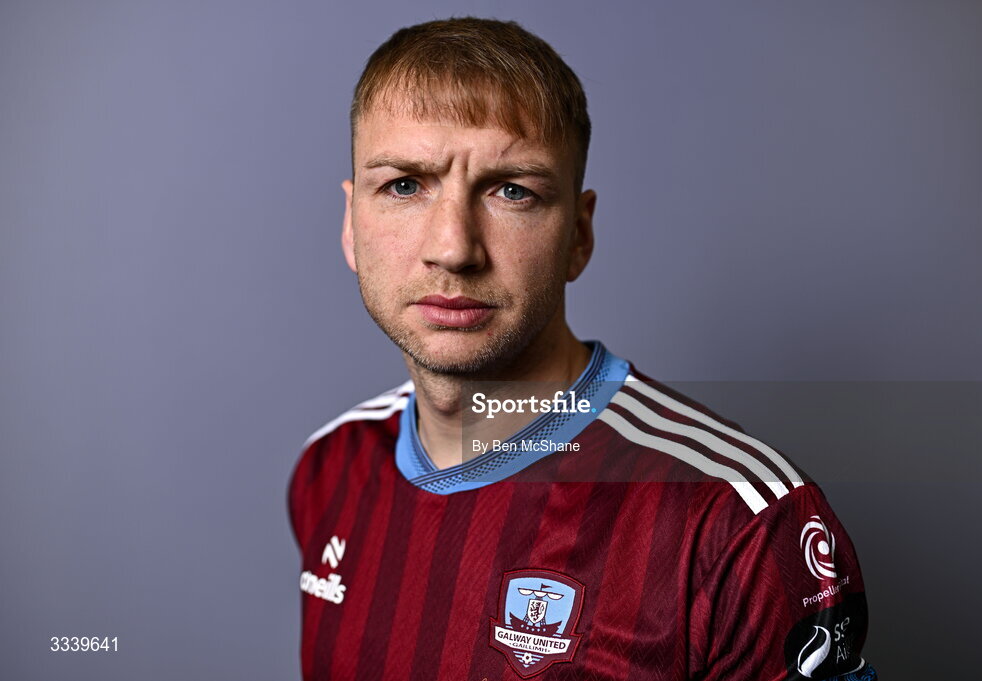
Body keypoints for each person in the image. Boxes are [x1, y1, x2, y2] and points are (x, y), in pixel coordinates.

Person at [288, 17, 875, 681]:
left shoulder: (741, 519)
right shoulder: (329, 469)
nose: (452, 247)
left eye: (512, 190)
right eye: (403, 185)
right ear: (351, 222)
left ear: (578, 233)